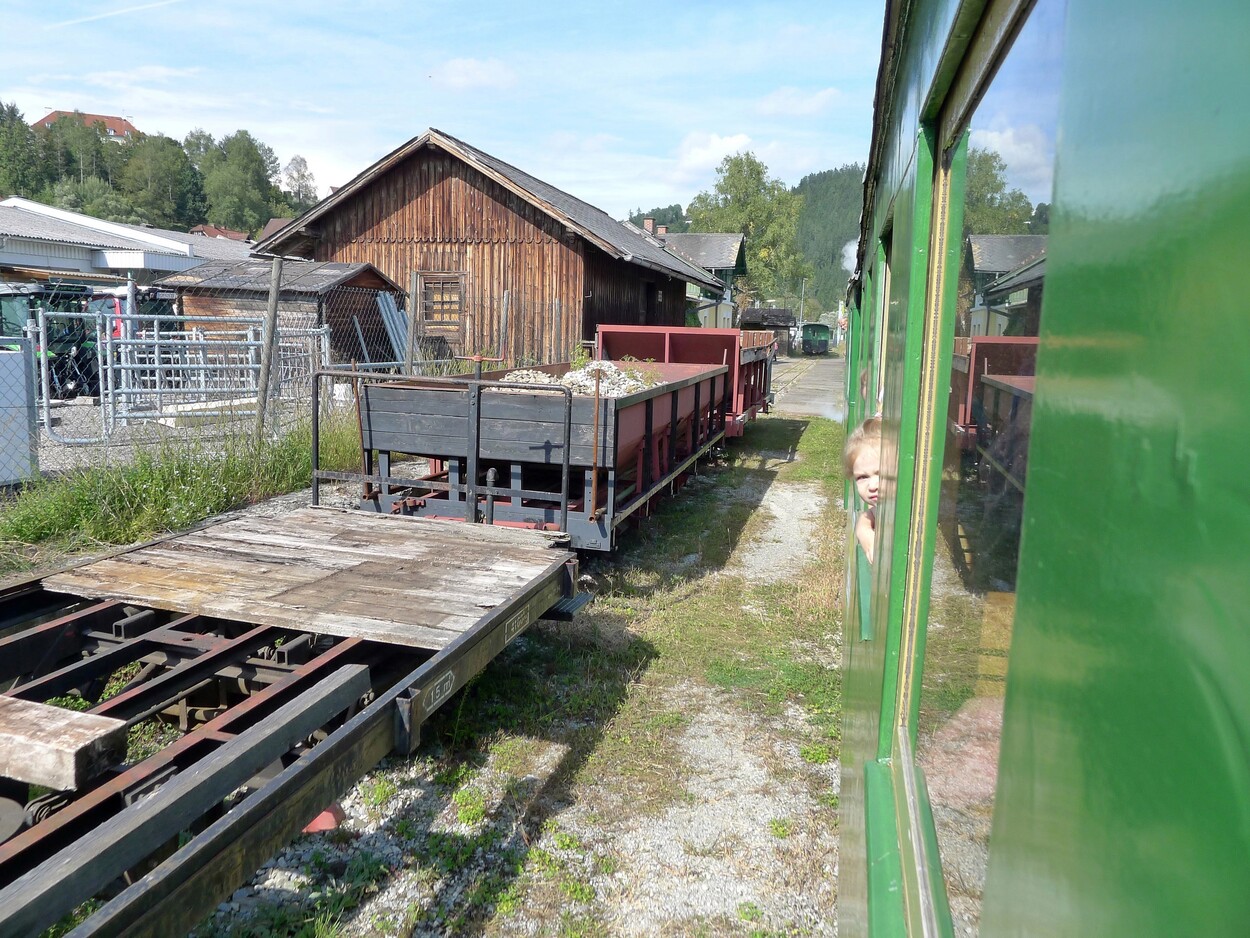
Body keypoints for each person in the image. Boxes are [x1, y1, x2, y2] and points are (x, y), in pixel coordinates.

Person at [844, 417, 881, 562]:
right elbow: (867, 517)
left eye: (882, 474)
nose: (872, 486)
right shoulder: (880, 508)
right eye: (862, 477)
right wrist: (865, 533)